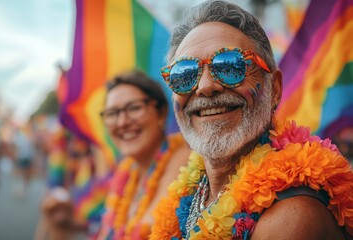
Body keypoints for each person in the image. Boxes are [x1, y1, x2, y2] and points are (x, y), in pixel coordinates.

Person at [150, 1, 353, 239]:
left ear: (274, 89)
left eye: (230, 66)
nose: (205, 87)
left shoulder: (292, 216)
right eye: (184, 73)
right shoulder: (188, 198)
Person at [97, 70, 190, 239]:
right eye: (112, 113)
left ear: (161, 112)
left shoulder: (183, 158)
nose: (122, 122)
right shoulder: (125, 171)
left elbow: (148, 230)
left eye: (134, 108)